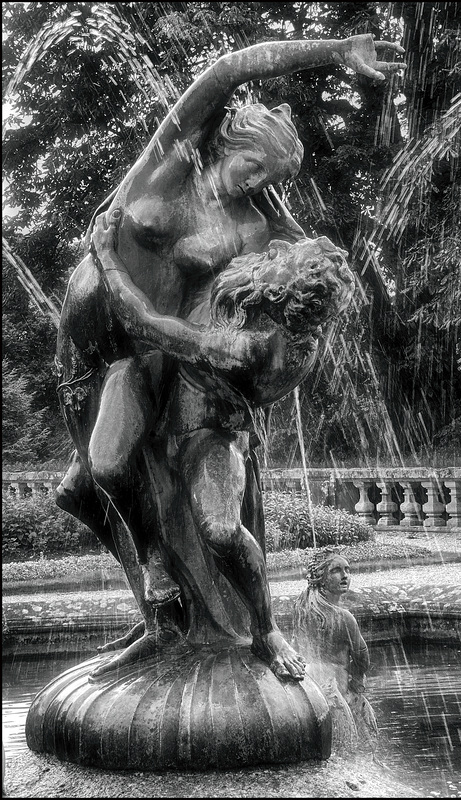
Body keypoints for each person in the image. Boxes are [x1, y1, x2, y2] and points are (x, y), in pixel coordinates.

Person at [55, 33, 405, 656]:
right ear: (231, 143)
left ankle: (205, 616)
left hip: (167, 359)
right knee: (91, 483)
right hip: (96, 350)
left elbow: (305, 280)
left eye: (274, 179)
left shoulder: (256, 224)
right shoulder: (174, 158)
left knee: (121, 480)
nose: (262, 184)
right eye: (257, 168)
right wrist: (336, 50)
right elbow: (228, 69)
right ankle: (157, 572)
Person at [88, 209, 354, 679]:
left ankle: (266, 629)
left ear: (277, 295)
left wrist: (108, 256)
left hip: (207, 425)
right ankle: (153, 563)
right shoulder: (298, 304)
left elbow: (141, 318)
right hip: (148, 381)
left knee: (220, 529)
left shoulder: (243, 344)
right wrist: (265, 195)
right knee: (95, 475)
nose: (272, 250)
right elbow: (291, 234)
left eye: (277, 260)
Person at [293, 547, 378, 751]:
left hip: (309, 688)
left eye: (347, 570)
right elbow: (363, 658)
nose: (345, 576)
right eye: (336, 570)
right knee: (360, 750)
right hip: (336, 691)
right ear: (321, 578)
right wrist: (356, 682)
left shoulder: (302, 609)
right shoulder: (343, 618)